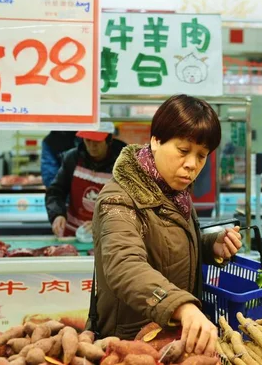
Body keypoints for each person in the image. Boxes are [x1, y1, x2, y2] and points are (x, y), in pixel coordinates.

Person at [91, 94, 243, 356]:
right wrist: (181, 306)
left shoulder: (174, 193)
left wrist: (209, 245)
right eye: (183, 151)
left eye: (202, 155)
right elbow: (124, 265)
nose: (192, 164)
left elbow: (165, 246)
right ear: (156, 141)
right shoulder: (119, 199)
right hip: (128, 346)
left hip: (167, 339)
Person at [45, 119, 126, 237]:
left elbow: (130, 203)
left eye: (97, 141)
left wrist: (104, 222)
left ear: (109, 140)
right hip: (73, 234)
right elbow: (56, 191)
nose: (92, 146)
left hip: (109, 236)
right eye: (88, 140)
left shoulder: (124, 162)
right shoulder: (72, 158)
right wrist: (57, 214)